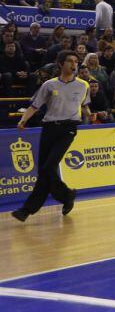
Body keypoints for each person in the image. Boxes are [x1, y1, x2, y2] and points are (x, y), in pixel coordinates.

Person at [10, 51, 88, 222]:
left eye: (76, 61)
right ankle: (67, 195)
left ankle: (27, 210)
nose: (73, 65)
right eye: (69, 61)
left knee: (48, 167)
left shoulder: (83, 85)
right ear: (60, 64)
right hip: (49, 128)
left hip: (68, 128)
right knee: (45, 170)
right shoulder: (49, 85)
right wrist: (23, 120)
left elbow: (84, 104)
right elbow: (35, 106)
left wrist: (90, 113)